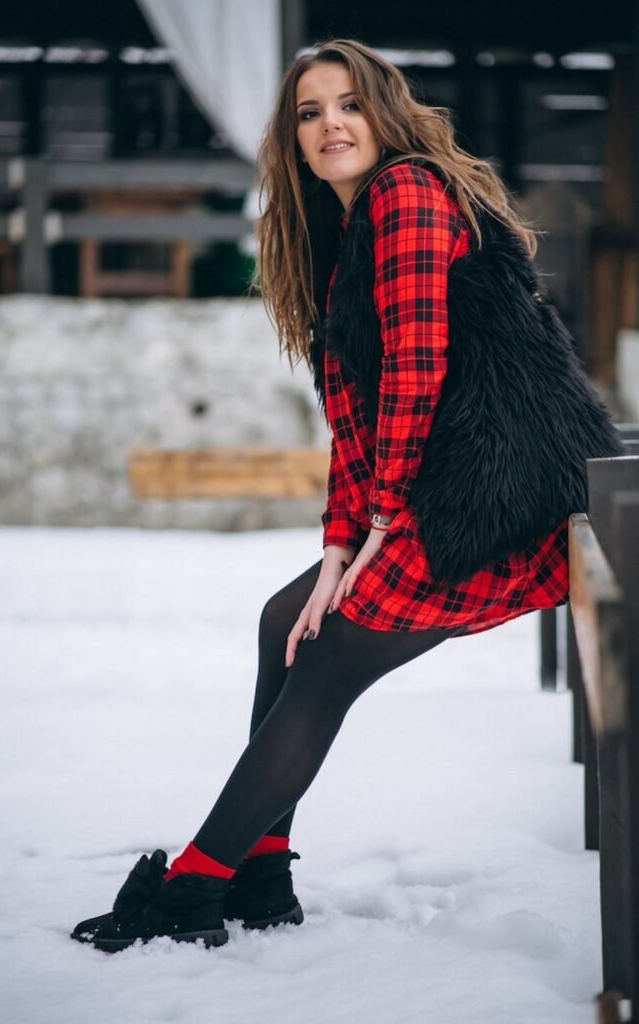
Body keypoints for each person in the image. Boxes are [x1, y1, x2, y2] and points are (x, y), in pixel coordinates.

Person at [71, 39, 621, 953]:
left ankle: (191, 889)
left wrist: (376, 529)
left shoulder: (405, 193)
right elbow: (356, 423)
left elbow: (415, 371)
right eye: (308, 111)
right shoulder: (347, 233)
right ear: (290, 140)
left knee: (321, 658)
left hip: (497, 500)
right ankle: (260, 874)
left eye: (349, 104)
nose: (330, 123)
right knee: (283, 619)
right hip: (445, 493)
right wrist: (337, 546)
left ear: (385, 114)